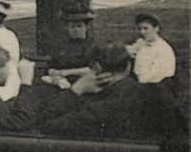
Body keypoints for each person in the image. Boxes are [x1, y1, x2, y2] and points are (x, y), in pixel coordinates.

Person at [40, 43, 185, 141]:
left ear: (96, 68)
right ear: (128, 67)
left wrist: (76, 89)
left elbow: (47, 124)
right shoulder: (156, 94)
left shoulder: (103, 108)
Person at [44, 5, 95, 87]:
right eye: (73, 27)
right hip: (60, 83)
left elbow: (93, 70)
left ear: (86, 28)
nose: (76, 30)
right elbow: (50, 67)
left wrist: (66, 72)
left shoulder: (91, 46)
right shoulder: (62, 46)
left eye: (79, 26)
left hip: (83, 84)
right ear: (67, 28)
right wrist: (54, 73)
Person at [125, 13, 176, 85]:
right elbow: (128, 50)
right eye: (139, 29)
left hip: (156, 87)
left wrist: (136, 85)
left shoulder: (164, 49)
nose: (142, 32)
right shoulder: (141, 44)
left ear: (156, 28)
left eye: (146, 28)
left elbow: (156, 75)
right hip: (139, 84)